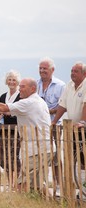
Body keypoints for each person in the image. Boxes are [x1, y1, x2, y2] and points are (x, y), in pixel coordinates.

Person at [0, 78, 53, 192]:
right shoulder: (37, 101)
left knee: (23, 185)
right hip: (43, 148)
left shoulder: (29, 102)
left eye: (23, 86)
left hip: (36, 150)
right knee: (38, 185)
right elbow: (7, 110)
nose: (19, 89)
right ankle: (50, 205)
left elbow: (5, 107)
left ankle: (20, 206)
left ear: (33, 88)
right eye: (19, 86)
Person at [36, 57, 65, 191]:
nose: (42, 71)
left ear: (52, 70)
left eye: (45, 68)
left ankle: (58, 184)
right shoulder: (35, 85)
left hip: (55, 125)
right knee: (39, 154)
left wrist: (48, 111)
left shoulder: (60, 85)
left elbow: (63, 106)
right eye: (40, 68)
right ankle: (42, 183)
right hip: (38, 126)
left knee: (55, 155)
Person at [52, 62, 86, 174]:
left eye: (76, 71)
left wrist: (83, 122)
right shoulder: (69, 85)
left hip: (83, 127)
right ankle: (80, 187)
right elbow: (62, 105)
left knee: (84, 158)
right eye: (71, 71)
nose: (72, 73)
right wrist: (54, 121)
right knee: (75, 157)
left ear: (84, 73)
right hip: (73, 128)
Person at [0, 70, 21, 188]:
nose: (11, 82)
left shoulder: (20, 96)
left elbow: (19, 112)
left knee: (14, 157)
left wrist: (7, 113)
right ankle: (10, 183)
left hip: (16, 131)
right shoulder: (3, 96)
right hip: (4, 131)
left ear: (17, 82)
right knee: (4, 157)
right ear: (6, 81)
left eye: (14, 80)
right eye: (9, 79)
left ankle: (16, 183)